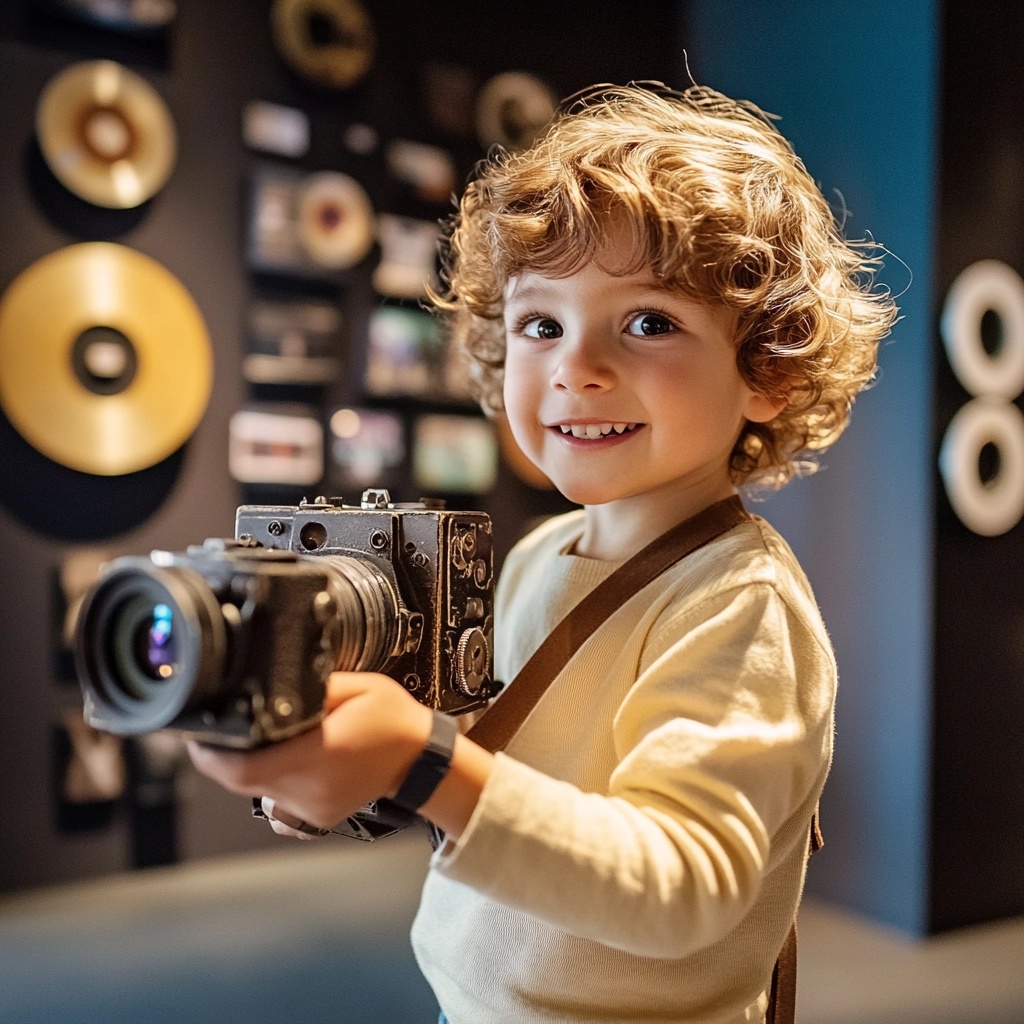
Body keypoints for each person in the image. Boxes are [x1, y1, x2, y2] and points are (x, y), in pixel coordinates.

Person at [190, 82, 898, 1023]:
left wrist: (423, 761)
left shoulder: (740, 604)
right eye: (541, 323)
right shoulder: (537, 555)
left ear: (767, 368)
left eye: (649, 321)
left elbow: (684, 883)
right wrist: (349, 778)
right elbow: (508, 790)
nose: (576, 365)